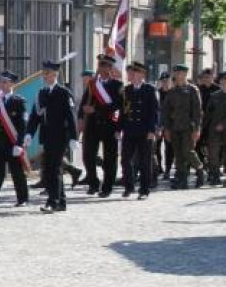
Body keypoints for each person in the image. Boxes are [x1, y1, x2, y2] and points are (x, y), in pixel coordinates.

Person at [25, 60, 78, 213]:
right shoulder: (41, 93)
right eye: (44, 73)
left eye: (47, 73)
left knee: (53, 169)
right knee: (50, 169)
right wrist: (29, 133)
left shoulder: (63, 93)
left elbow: (71, 116)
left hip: (60, 136)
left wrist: (74, 137)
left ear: (55, 75)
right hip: (47, 136)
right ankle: (61, 201)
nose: (44, 76)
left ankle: (52, 202)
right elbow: (35, 116)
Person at [0, 70, 29, 209]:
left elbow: (22, 125)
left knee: (17, 172)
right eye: (1, 82)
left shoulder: (18, 101)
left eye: (5, 82)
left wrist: (19, 144)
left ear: (11, 84)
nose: (2, 85)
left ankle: (22, 198)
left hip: (12, 142)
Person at [80, 55, 123, 198]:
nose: (102, 68)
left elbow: (117, 106)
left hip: (109, 124)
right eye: (100, 65)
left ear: (110, 68)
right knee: (88, 155)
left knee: (110, 158)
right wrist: (82, 113)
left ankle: (107, 187)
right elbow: (85, 101)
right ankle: (93, 183)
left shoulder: (117, 85)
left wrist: (96, 110)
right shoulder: (93, 84)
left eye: (105, 66)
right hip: (92, 125)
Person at [120, 61, 159, 200]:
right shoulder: (126, 90)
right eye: (131, 72)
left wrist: (152, 130)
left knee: (144, 161)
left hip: (144, 131)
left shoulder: (150, 89)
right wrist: (119, 128)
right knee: (125, 159)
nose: (131, 75)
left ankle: (144, 189)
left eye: (135, 72)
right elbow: (123, 111)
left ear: (142, 74)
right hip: (129, 130)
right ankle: (129, 186)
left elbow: (155, 111)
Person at [162, 63, 204, 190]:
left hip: (188, 127)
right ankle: (182, 179)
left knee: (188, 151)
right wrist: (167, 128)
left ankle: (200, 170)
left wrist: (197, 128)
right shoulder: (172, 91)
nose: (177, 75)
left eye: (179, 72)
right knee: (178, 153)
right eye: (176, 72)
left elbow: (197, 111)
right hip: (175, 127)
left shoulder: (192, 90)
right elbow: (166, 111)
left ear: (185, 74)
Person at [204, 76, 226, 185]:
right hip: (214, 129)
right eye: (223, 81)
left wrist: (223, 124)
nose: (224, 83)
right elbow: (208, 113)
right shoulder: (214, 96)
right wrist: (203, 129)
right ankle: (215, 175)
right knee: (213, 153)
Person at [155, 71, 173, 180]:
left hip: (169, 125)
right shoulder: (157, 93)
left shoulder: (173, 93)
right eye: (163, 81)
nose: (165, 83)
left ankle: (168, 169)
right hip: (158, 124)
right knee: (156, 147)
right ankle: (158, 168)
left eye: (167, 81)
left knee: (169, 148)